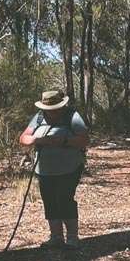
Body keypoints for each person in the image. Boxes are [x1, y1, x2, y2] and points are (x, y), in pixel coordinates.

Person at [18, 90, 89, 249]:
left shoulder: (72, 117)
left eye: (55, 109)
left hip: (70, 168)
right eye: (49, 109)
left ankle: (72, 237)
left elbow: (84, 139)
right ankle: (56, 237)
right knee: (49, 201)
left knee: (65, 199)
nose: (52, 112)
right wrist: (38, 139)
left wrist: (64, 141)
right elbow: (23, 138)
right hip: (44, 170)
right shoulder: (39, 117)